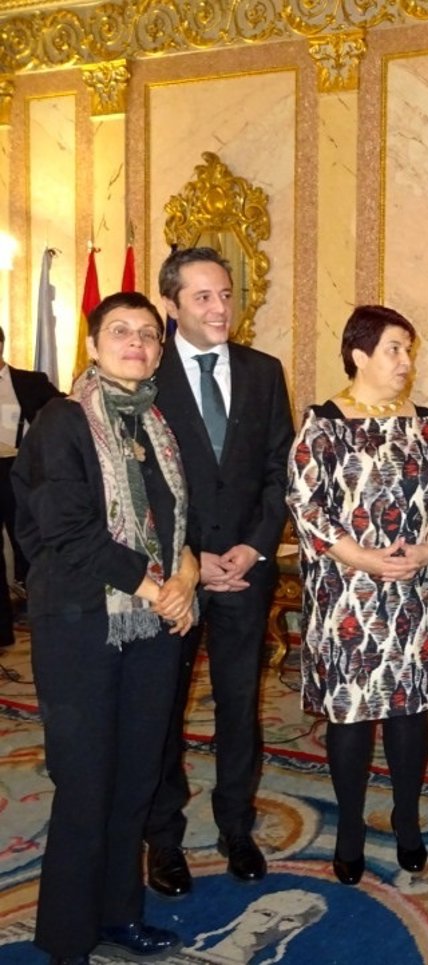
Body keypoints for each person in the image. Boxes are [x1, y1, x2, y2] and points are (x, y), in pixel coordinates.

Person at [13, 291, 199, 964]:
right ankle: (67, 936)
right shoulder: (63, 421)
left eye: (148, 333)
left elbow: (178, 522)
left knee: (136, 776)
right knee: (87, 780)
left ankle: (121, 913)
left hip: (151, 628)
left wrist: (185, 577)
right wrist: (157, 587)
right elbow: (66, 531)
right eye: (120, 331)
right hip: (81, 626)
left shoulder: (157, 423)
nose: (136, 343)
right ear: (93, 346)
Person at [286, 305, 428, 885]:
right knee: (353, 714)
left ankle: (407, 820)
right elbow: (306, 506)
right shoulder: (324, 424)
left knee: (410, 710)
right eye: (394, 349)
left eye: (408, 350)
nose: (405, 361)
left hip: (413, 588)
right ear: (359, 354)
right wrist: (364, 558)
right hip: (348, 594)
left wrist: (427, 550)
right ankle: (350, 827)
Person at [144, 246, 294, 896]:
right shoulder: (145, 374)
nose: (219, 308)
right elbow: (137, 487)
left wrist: (255, 548)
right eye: (203, 296)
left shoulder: (264, 372)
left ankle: (237, 825)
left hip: (243, 572)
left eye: (226, 294)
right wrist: (187, 559)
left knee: (240, 705)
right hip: (172, 579)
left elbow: (280, 470)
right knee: (162, 709)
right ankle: (163, 837)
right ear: (171, 304)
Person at [0, 326, 62, 648]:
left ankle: (34, 602)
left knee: (25, 537)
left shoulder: (30, 381)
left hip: (18, 469)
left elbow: (63, 410)